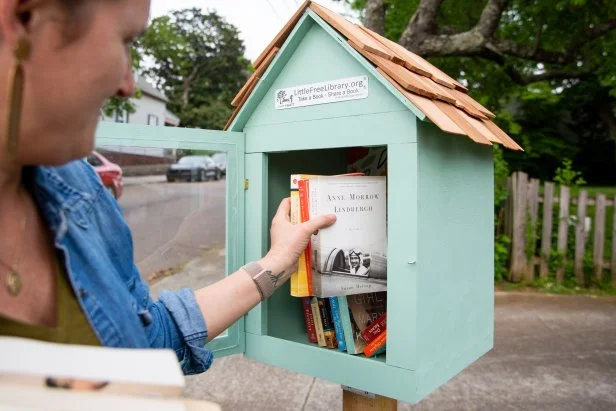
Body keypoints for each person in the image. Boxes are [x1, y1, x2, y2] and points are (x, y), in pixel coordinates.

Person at [0, 0, 336, 375]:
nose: (128, 86)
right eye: (125, 40)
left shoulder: (81, 191)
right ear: (23, 16)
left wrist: (277, 262)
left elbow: (148, 340)